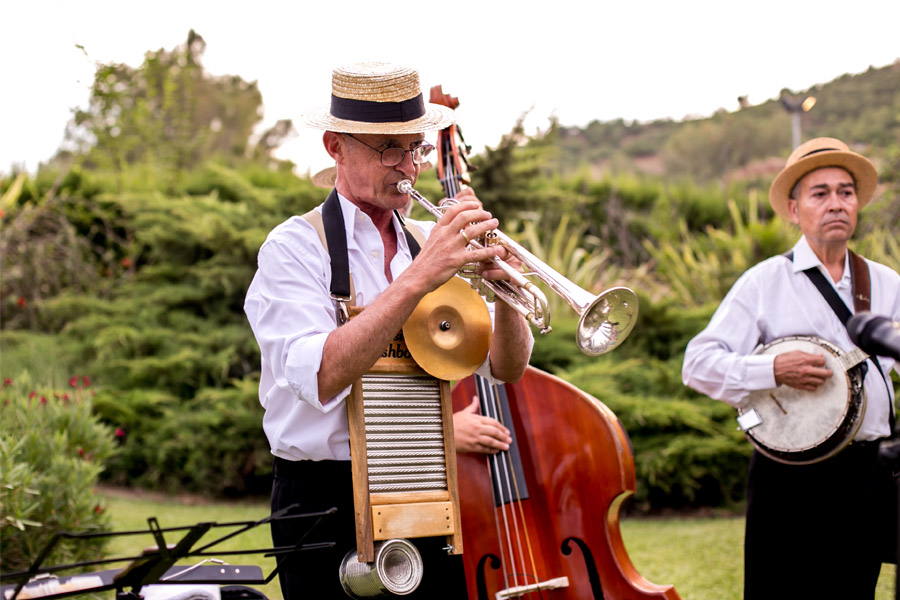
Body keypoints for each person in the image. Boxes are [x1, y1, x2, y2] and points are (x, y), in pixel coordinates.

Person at [244, 62, 532, 599]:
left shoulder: (430, 242)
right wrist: (418, 281)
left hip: (422, 490)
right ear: (336, 146)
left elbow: (507, 367)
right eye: (388, 149)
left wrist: (505, 293)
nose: (409, 165)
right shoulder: (294, 248)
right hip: (324, 498)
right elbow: (323, 373)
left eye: (416, 147)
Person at [682, 137, 900, 598]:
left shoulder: (887, 283)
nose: (836, 203)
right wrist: (772, 371)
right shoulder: (764, 281)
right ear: (794, 208)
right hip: (790, 477)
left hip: (869, 471)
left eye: (846, 192)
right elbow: (698, 363)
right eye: (820, 193)